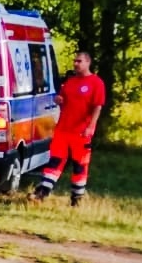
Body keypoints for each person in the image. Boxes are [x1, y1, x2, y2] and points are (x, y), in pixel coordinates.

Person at [32, 51, 106, 206]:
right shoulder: (70, 81)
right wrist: (59, 100)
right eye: (75, 61)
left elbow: (97, 107)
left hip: (81, 131)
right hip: (63, 129)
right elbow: (62, 98)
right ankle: (41, 192)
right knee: (55, 160)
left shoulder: (96, 83)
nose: (76, 64)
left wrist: (91, 127)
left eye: (79, 61)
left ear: (88, 63)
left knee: (79, 164)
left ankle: (76, 198)